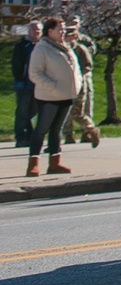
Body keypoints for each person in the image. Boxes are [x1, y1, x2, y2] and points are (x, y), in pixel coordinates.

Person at [25, 17, 82, 176]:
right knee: (41, 129)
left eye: (64, 29)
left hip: (66, 95)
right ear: (49, 31)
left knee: (57, 130)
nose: (63, 32)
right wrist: (52, 87)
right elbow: (35, 74)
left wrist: (77, 84)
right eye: (60, 29)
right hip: (49, 97)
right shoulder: (42, 49)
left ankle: (54, 163)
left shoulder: (65, 47)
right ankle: (33, 163)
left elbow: (74, 68)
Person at [61, 15, 100, 148]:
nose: (68, 37)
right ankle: (68, 134)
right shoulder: (62, 49)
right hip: (64, 85)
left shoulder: (81, 48)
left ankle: (89, 130)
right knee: (64, 112)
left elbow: (88, 65)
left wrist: (78, 75)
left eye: (71, 34)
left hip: (79, 84)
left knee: (78, 112)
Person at [13, 20, 41, 150]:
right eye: (35, 31)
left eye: (39, 31)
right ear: (29, 32)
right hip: (24, 84)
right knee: (22, 113)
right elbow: (17, 64)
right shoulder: (22, 46)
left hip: (38, 85)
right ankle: (21, 138)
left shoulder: (43, 46)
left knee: (33, 112)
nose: (37, 33)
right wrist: (19, 79)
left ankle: (30, 136)